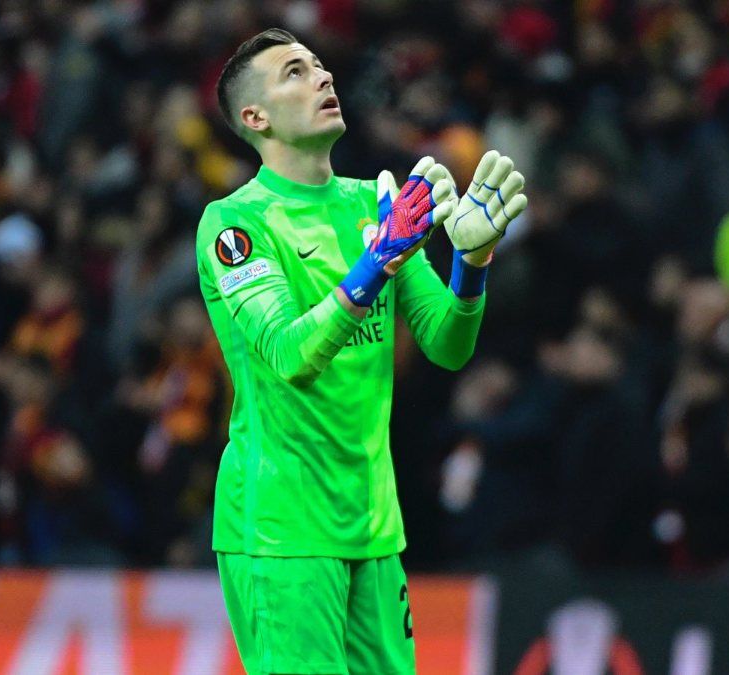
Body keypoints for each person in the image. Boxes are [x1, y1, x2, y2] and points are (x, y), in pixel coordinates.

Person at [196, 28, 527, 675]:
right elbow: (290, 354)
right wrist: (378, 261)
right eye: (295, 72)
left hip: (373, 524)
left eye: (319, 65)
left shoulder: (371, 204)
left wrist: (472, 263)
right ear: (256, 117)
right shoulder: (237, 223)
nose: (322, 77)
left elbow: (447, 344)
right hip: (282, 528)